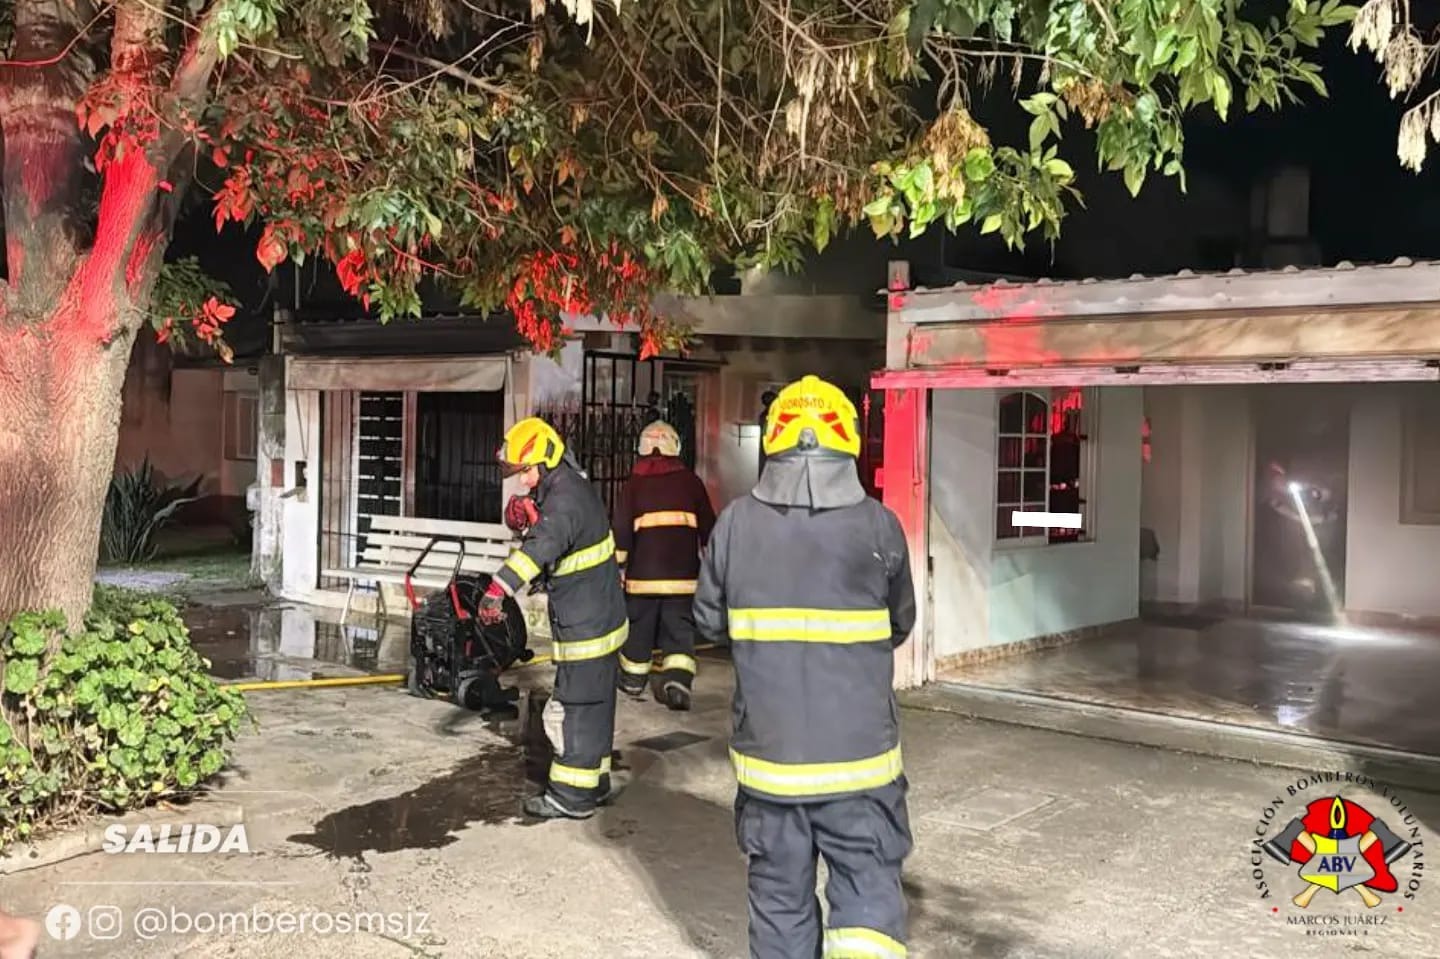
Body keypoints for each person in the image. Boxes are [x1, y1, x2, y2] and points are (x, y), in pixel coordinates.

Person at [694, 374, 917, 959]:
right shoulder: (879, 525)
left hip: (770, 766)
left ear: (774, 442)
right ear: (849, 443)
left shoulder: (736, 524)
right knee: (867, 893)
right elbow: (900, 624)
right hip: (862, 767)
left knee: (779, 900)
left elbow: (709, 622)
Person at [479, 416, 629, 821]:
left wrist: (498, 590)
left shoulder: (564, 500)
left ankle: (570, 797)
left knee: (576, 708)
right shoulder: (567, 485)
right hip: (599, 618)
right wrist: (534, 511)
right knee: (595, 706)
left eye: (525, 471)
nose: (522, 481)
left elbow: (542, 548)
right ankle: (593, 783)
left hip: (586, 624)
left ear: (545, 461)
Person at [612, 420, 716, 711]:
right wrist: (712, 566)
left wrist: (617, 567)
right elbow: (709, 528)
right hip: (683, 579)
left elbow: (621, 530)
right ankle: (678, 682)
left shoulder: (633, 485)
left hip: (642, 579)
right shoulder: (691, 482)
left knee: (639, 629)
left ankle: (633, 681)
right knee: (679, 630)